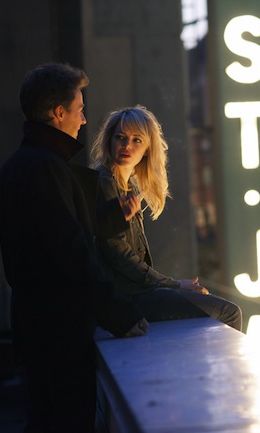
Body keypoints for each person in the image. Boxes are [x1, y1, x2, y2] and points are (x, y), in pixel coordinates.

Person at [0, 63, 148, 433]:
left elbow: (52, 235)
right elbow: (70, 251)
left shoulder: (21, 165)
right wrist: (119, 314)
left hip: (37, 325)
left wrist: (112, 218)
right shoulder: (46, 168)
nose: (83, 120)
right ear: (58, 112)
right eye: (79, 109)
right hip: (58, 331)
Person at [90, 105, 243, 331]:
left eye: (136, 140)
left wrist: (171, 286)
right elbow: (119, 255)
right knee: (229, 312)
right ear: (110, 140)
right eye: (120, 137)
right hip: (125, 299)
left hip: (133, 292)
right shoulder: (105, 182)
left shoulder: (127, 185)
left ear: (147, 149)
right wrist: (174, 285)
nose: (126, 145)